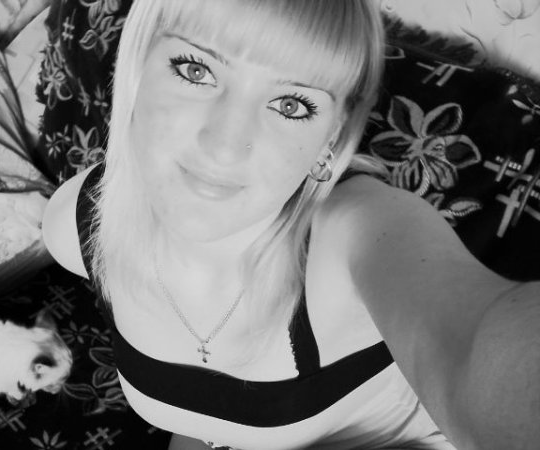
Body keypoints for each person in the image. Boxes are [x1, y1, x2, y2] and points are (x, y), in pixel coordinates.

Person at [42, 0, 540, 448]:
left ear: (331, 137)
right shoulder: (74, 229)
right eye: (195, 70)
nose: (225, 147)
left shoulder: (358, 231)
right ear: (136, 69)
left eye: (290, 105)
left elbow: (482, 349)